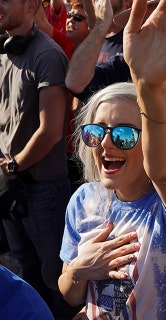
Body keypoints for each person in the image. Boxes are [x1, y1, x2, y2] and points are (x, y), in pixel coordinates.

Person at [57, 0, 166, 317]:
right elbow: (70, 294)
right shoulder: (83, 200)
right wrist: (80, 270)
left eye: (125, 134)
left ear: (151, 142)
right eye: (96, 132)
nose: (106, 144)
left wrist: (150, 85)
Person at [66, 0, 166, 176]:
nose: (152, 19)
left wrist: (154, 126)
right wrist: (100, 28)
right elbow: (75, 82)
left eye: (159, 10)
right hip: (120, 184)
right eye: (145, 11)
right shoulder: (122, 65)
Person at [0, 0, 74, 317]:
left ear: (31, 5)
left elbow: (51, 131)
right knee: (22, 272)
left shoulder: (47, 55)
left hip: (44, 190)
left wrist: (13, 166)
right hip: (10, 185)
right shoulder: (5, 51)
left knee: (54, 279)